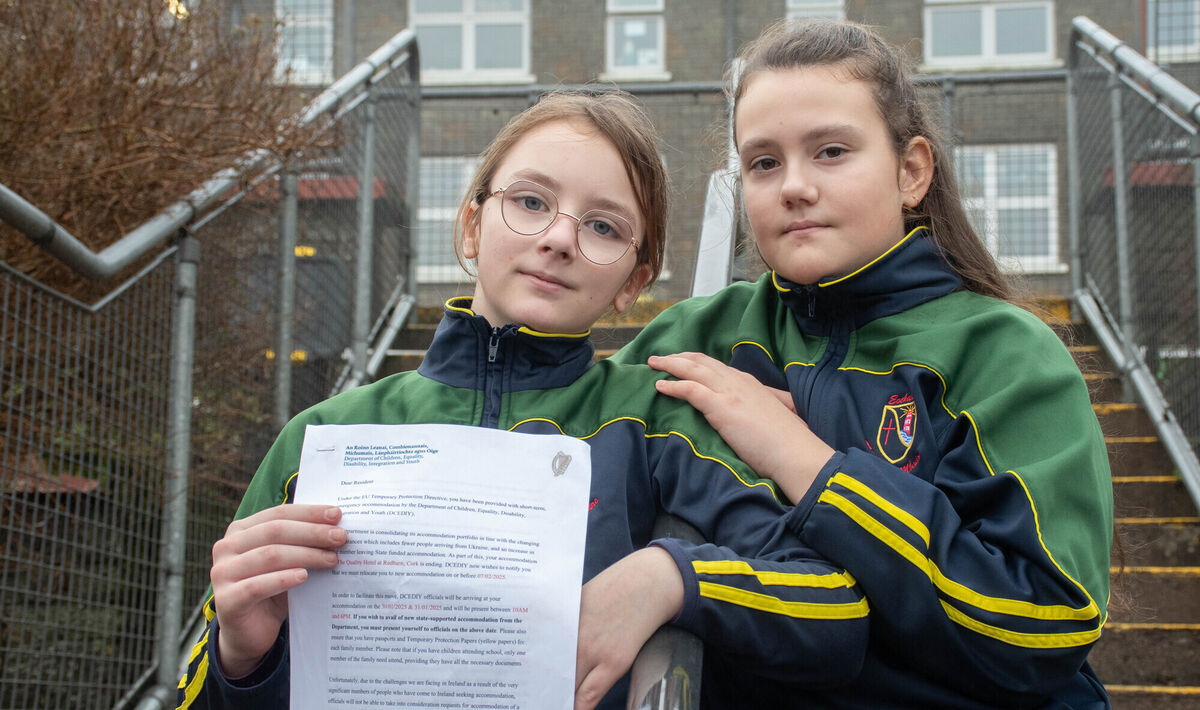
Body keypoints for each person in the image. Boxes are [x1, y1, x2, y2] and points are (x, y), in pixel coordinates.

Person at [175, 90, 870, 710]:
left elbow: (837, 613)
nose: (560, 238)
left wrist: (673, 578)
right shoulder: (326, 434)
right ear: (472, 226)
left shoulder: (659, 420)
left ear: (634, 283)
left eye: (604, 227)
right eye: (531, 202)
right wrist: (243, 657)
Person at [612, 19, 1114, 709]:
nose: (793, 186)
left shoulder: (1005, 353)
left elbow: (1042, 623)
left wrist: (803, 460)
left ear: (911, 172)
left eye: (831, 152)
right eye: (763, 163)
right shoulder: (697, 336)